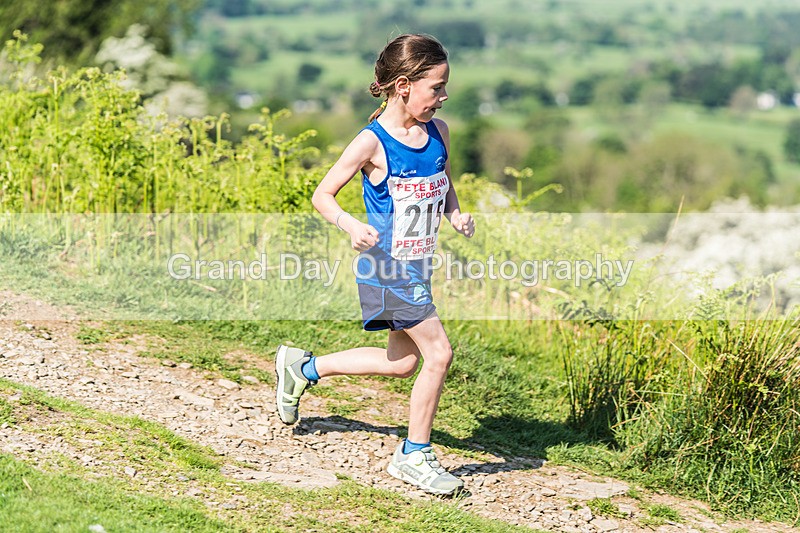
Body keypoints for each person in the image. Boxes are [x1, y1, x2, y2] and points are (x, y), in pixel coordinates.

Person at [275, 33, 475, 496]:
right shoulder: (372, 142)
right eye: (437, 88)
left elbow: (441, 182)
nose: (443, 97)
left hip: (418, 263)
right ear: (404, 85)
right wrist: (350, 225)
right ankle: (414, 455)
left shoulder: (439, 132)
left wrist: (454, 213)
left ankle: (303, 368)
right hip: (386, 267)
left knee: (403, 363)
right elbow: (322, 195)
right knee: (439, 353)